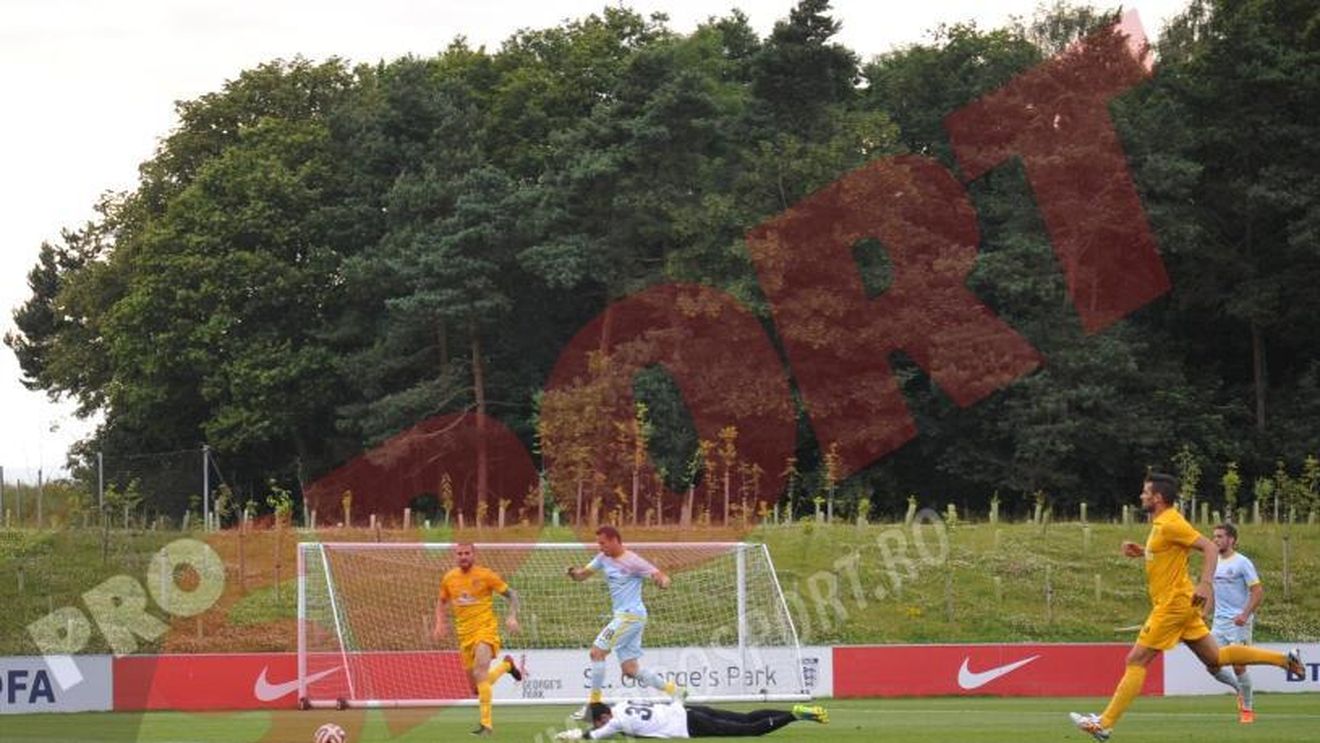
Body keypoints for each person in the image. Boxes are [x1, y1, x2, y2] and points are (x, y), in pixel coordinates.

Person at [1070, 473, 1303, 741]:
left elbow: (1209, 548)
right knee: (1216, 658)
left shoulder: (1170, 522)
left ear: (1157, 497)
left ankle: (1104, 724)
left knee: (1136, 660)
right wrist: (1144, 551)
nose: (1141, 496)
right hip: (1181, 603)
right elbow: (1170, 552)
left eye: (1145, 492)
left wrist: (1205, 584)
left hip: (1172, 605)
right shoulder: (1161, 524)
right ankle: (1285, 660)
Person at [567, 525, 684, 718]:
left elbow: (660, 576)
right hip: (627, 617)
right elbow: (583, 575)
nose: (600, 547)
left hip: (630, 616)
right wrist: (573, 573)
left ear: (614, 540)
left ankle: (594, 706)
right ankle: (675, 691)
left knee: (597, 652)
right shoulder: (603, 558)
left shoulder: (633, 561)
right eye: (598, 543)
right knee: (630, 669)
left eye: (602, 543)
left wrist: (663, 582)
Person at [435, 542, 525, 736]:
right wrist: (440, 624)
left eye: (467, 553)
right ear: (455, 556)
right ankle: (507, 666)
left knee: (480, 671)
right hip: (464, 636)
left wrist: (512, 616)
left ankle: (486, 725)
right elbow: (441, 602)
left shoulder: (486, 575)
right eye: (459, 553)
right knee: (477, 687)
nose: (463, 556)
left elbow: (512, 595)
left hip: (485, 632)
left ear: (474, 554)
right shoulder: (449, 578)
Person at [1206, 522, 1264, 723]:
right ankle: (1239, 689)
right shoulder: (1213, 562)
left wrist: (1245, 615)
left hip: (1239, 622)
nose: (1216, 540)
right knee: (1211, 664)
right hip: (1219, 622)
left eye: (1220, 536)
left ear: (1232, 539)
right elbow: (1212, 592)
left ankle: (1247, 710)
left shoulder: (1242, 562)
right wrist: (1204, 613)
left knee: (1239, 666)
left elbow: (1257, 591)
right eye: (1214, 536)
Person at [555, 699, 829, 739]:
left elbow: (593, 735)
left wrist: (574, 736)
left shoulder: (615, 723)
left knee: (750, 731)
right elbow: (600, 712)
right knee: (745, 717)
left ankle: (794, 715)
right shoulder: (622, 704)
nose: (598, 724)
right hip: (685, 709)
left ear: (604, 717)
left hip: (689, 725)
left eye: (597, 720)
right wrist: (584, 713)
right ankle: (791, 709)